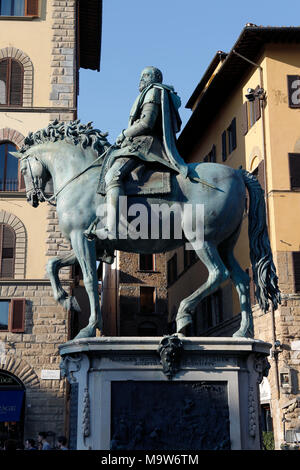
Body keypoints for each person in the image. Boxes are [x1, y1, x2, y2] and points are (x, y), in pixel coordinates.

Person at [86, 66, 190, 241]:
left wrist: (124, 134)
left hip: (146, 145)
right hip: (138, 143)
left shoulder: (153, 92)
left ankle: (112, 228)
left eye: (146, 75)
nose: (141, 79)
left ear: (155, 78)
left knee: (113, 175)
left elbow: (147, 123)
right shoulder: (147, 93)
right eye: (141, 75)